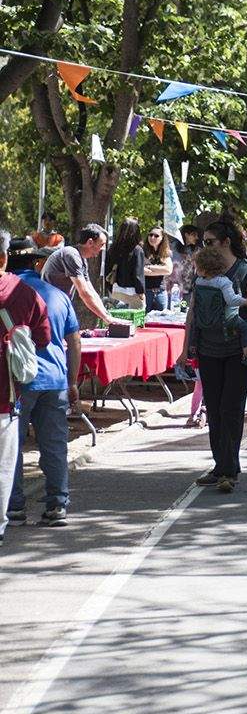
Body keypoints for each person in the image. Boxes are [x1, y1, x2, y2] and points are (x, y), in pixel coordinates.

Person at [186, 220, 247, 493]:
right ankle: (222, 465)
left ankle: (228, 470)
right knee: (215, 409)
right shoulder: (204, 273)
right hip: (209, 350)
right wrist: (186, 347)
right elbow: (193, 312)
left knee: (230, 408)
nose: (204, 246)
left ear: (226, 242)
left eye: (209, 242)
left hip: (238, 351)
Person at [4, 238, 76, 530]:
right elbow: (73, 341)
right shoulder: (58, 295)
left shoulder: (7, 292)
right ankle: (57, 504)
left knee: (12, 446)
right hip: (55, 379)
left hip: (16, 382)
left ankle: (15, 506)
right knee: (55, 445)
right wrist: (72, 382)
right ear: (36, 263)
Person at [0, 232, 51, 545]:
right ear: (4, 258)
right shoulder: (23, 292)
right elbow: (43, 337)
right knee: (3, 466)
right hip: (5, 395)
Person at [189, 246, 247, 365]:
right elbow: (232, 300)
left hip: (204, 318)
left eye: (197, 267)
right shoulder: (223, 282)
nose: (195, 270)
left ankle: (193, 345)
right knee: (246, 328)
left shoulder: (199, 282)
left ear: (204, 269)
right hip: (224, 319)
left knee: (195, 325)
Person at [43, 223, 113, 326]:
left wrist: (107, 316)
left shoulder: (82, 259)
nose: (103, 249)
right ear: (90, 242)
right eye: (102, 244)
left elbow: (91, 291)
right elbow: (84, 293)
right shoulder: (71, 255)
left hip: (60, 306)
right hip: (50, 308)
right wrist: (106, 318)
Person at [103, 217, 147, 310]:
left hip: (115, 291)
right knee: (135, 321)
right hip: (133, 293)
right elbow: (138, 274)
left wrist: (110, 288)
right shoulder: (137, 250)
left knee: (117, 320)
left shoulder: (112, 249)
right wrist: (141, 292)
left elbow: (107, 270)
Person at [142, 226, 174, 311]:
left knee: (161, 320)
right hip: (145, 291)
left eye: (156, 236)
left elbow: (168, 270)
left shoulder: (166, 252)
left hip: (161, 291)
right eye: (150, 235)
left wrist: (148, 267)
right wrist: (161, 269)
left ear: (162, 238)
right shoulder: (142, 251)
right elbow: (140, 271)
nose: (152, 237)